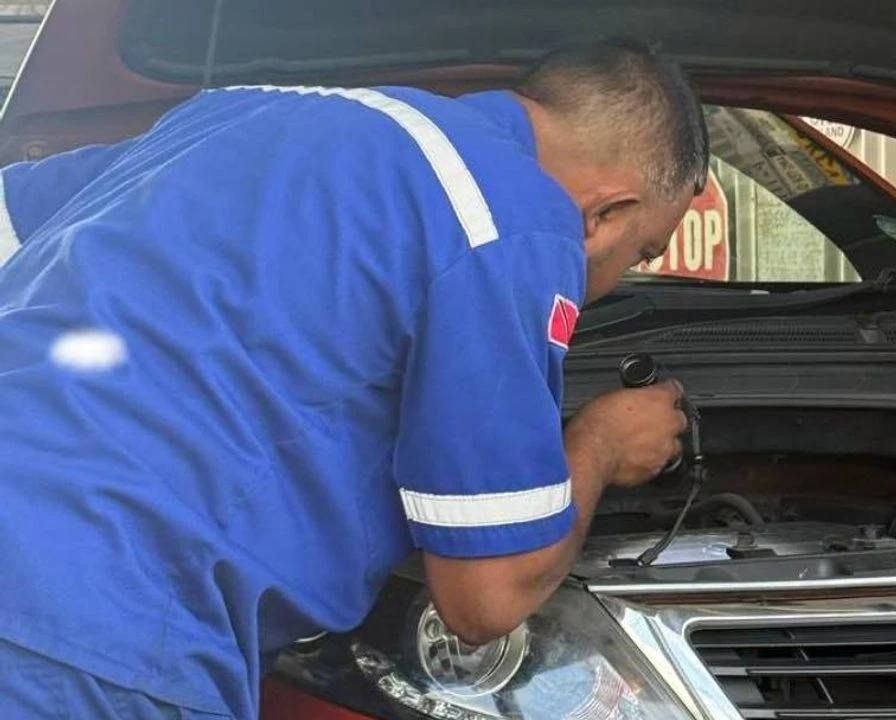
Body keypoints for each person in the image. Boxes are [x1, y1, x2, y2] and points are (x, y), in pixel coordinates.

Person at [0, 38, 708, 720]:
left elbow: (12, 217)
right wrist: (600, 444)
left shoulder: (239, 111)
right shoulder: (512, 215)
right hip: (101, 631)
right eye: (642, 252)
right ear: (604, 215)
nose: (619, 276)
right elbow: (484, 599)